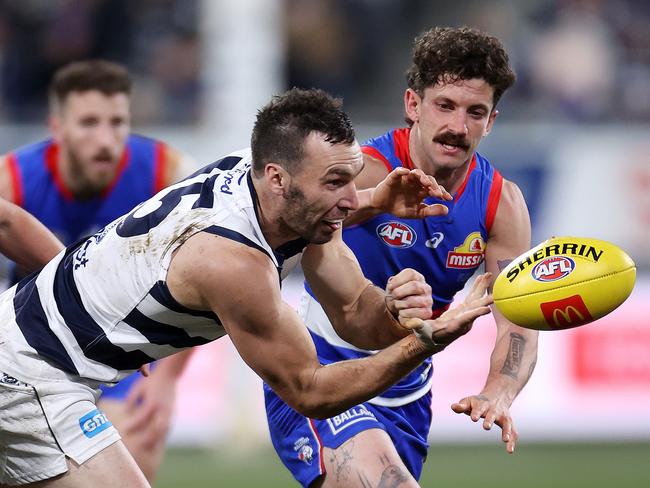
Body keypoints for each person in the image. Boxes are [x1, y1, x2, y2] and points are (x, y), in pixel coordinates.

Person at [0, 87, 493, 487]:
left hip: (31, 347)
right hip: (33, 377)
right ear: (278, 178)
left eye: (353, 179)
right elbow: (310, 391)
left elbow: (355, 310)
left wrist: (393, 306)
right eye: (334, 182)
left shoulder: (260, 175)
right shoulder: (234, 263)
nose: (347, 199)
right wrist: (424, 341)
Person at [264, 26, 539, 487]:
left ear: (491, 121)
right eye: (445, 106)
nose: (458, 127)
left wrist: (500, 391)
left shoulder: (500, 204)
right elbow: (280, 226)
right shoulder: (359, 169)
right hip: (323, 370)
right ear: (413, 105)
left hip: (408, 388)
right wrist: (370, 202)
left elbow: (519, 318)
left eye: (476, 112)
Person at [0, 59, 195, 483]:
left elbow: (209, 276)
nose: (106, 140)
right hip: (35, 349)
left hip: (123, 354)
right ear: (57, 128)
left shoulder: (166, 172)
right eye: (89, 123)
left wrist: (168, 381)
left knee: (136, 438)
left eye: (117, 122)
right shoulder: (14, 178)